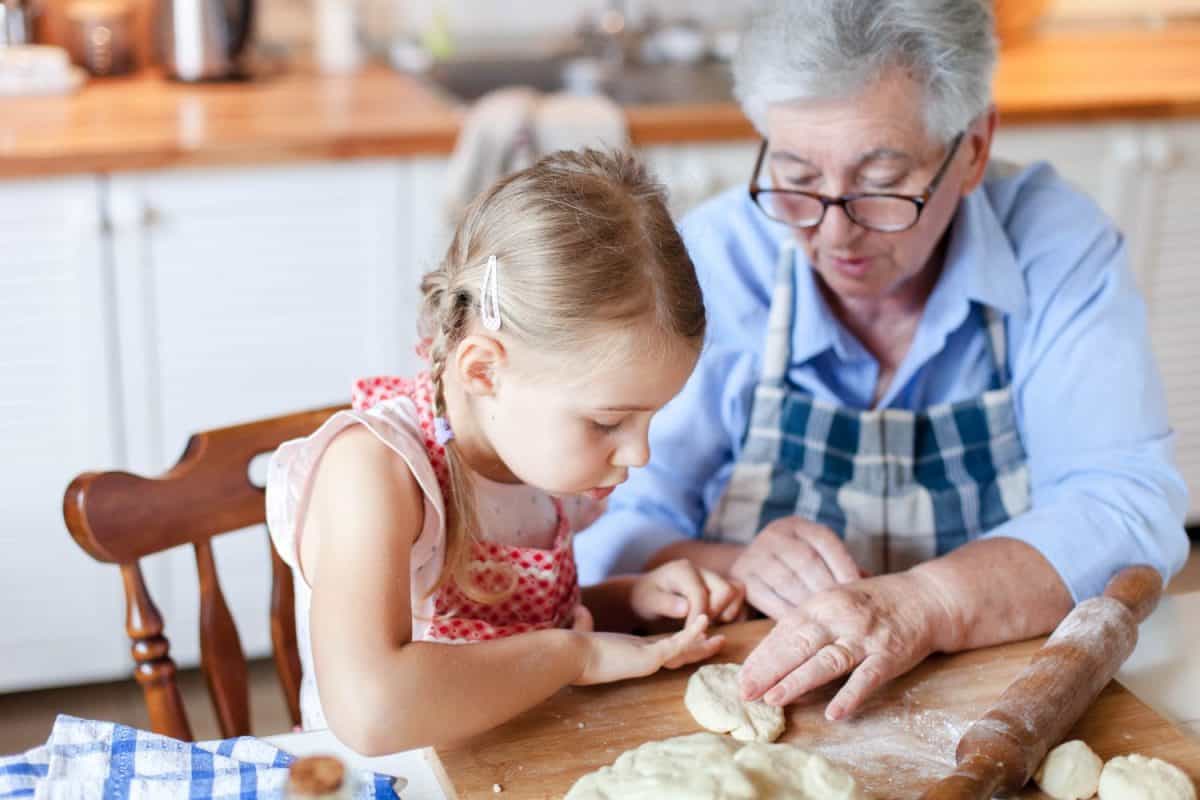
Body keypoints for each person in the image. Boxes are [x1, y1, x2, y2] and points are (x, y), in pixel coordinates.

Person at [575, 0, 1189, 723]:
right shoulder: (718, 262)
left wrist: (927, 602)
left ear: (973, 149)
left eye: (880, 184)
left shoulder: (1055, 247)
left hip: (999, 698)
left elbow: (1128, 508)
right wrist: (725, 566)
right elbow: (612, 522)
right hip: (773, 703)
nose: (834, 234)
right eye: (798, 176)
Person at [265, 149, 745, 755]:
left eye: (651, 418)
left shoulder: (537, 453)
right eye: (609, 421)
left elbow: (510, 632)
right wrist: (577, 654)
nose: (639, 453)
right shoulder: (375, 473)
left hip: (526, 756)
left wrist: (627, 599)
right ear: (485, 370)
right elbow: (372, 713)